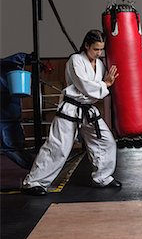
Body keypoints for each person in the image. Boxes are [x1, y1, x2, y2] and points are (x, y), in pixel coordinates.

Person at [22, 29, 121, 196]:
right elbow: (85, 86)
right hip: (71, 108)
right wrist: (105, 85)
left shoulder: (101, 65)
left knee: (106, 141)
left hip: (88, 110)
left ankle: (102, 177)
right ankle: (33, 182)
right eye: (95, 49)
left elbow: (94, 90)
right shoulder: (75, 60)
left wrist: (105, 84)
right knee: (58, 147)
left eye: (101, 49)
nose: (99, 53)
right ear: (86, 45)